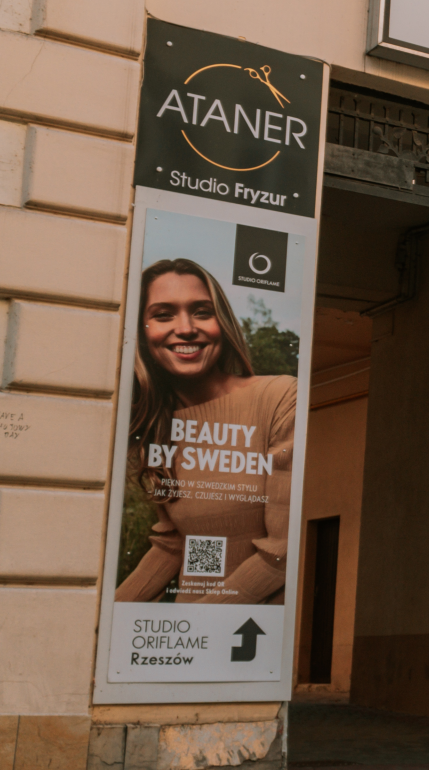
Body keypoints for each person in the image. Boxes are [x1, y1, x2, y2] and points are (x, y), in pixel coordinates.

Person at [115, 257, 296, 605]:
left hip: (249, 634)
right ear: (140, 330)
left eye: (201, 311)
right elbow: (179, 544)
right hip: (185, 636)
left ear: (222, 323)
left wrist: (197, 625)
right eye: (163, 314)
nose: (185, 328)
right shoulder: (159, 425)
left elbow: (281, 554)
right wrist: (103, 619)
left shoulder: (277, 398)